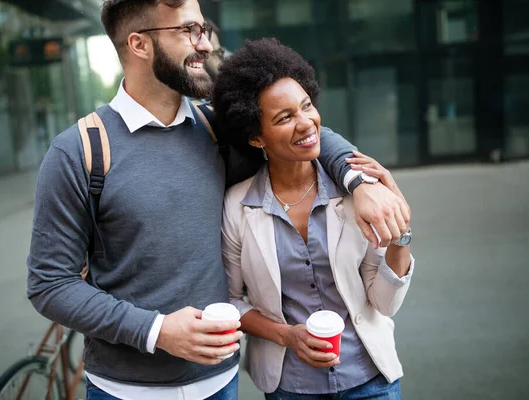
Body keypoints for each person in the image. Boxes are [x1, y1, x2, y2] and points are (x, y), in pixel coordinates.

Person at [26, 0, 409, 399]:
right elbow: (49, 284)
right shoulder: (80, 151)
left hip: (220, 385)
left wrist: (358, 182)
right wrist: (156, 331)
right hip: (122, 390)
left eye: (202, 29)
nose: (204, 45)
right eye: (187, 31)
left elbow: (302, 133)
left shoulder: (216, 131)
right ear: (139, 44)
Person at [214, 38, 415, 399]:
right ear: (257, 138)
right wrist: (287, 336)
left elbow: (385, 304)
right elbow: (232, 301)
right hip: (290, 386)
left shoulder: (353, 194)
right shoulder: (237, 206)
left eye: (306, 106)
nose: (306, 123)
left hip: (370, 380)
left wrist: (401, 234)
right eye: (285, 117)